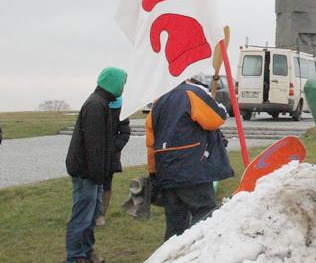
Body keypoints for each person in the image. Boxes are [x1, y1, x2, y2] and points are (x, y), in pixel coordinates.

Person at [146, 76, 234, 240]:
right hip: (192, 168)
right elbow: (216, 119)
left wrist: (153, 172)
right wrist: (219, 106)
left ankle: (170, 252)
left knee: (175, 225)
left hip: (165, 170)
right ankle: (197, 249)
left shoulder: (157, 103)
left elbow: (151, 143)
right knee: (205, 215)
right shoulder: (191, 93)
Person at [65, 67, 127, 263]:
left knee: (91, 216)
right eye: (122, 84)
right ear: (113, 83)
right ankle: (75, 256)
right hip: (86, 172)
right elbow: (94, 145)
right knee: (82, 216)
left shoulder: (102, 103)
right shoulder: (95, 105)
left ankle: (86, 252)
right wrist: (97, 175)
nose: (123, 88)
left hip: (94, 172)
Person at [95, 95, 132, 226]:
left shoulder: (121, 109)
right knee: (91, 184)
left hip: (110, 155)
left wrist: (115, 147)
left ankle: (101, 215)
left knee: (106, 184)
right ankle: (88, 213)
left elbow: (125, 132)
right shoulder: (96, 104)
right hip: (94, 152)